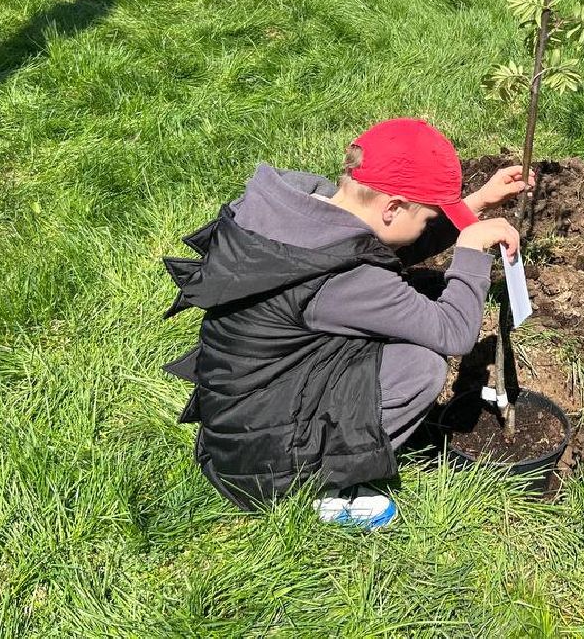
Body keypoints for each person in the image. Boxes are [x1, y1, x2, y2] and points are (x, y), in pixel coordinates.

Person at [162, 118, 529, 526]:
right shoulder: (343, 280)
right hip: (263, 458)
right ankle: (324, 485)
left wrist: (474, 203)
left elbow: (389, 243)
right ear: (392, 207)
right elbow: (453, 331)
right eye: (429, 217)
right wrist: (471, 252)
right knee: (420, 368)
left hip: (248, 405)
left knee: (417, 290)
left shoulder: (307, 214)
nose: (429, 224)